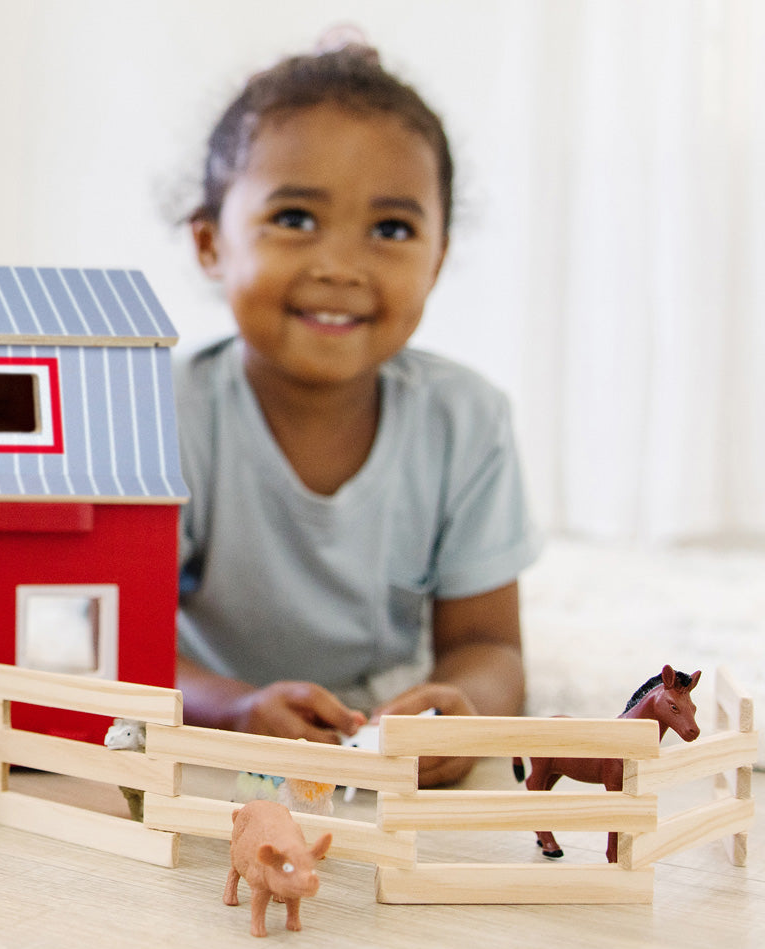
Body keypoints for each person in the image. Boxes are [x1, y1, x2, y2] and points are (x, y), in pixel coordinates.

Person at [174, 40, 542, 787]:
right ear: (211, 244)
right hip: (210, 716)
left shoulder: (466, 421)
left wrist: (462, 711)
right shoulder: (165, 415)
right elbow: (119, 650)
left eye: (392, 230)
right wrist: (234, 710)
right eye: (295, 218)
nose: (340, 267)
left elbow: (490, 646)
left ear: (438, 258)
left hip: (378, 716)